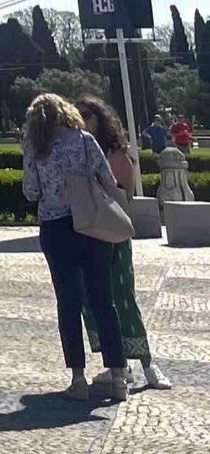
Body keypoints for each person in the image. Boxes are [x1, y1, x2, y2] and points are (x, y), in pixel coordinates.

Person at [20, 92, 131, 406]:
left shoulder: (35, 146)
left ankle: (78, 378)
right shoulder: (84, 140)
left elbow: (31, 191)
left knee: (68, 302)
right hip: (91, 225)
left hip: (55, 228)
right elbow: (107, 179)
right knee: (103, 301)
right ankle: (118, 376)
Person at [75, 96, 169, 390]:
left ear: (99, 118)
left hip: (113, 234)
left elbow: (124, 195)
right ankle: (117, 363)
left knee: (123, 297)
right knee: (94, 300)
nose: (80, 120)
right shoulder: (78, 150)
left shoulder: (115, 152)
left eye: (86, 115)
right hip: (90, 234)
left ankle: (147, 364)